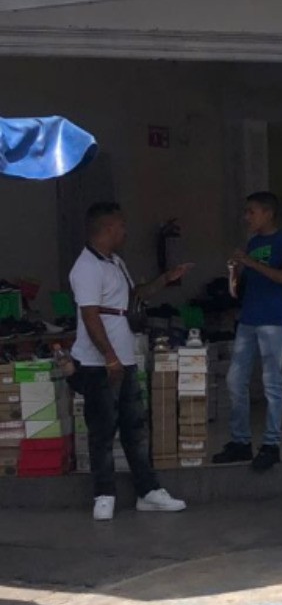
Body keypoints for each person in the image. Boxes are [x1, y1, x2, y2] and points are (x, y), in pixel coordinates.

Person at [70, 202, 191, 521]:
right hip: (101, 364)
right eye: (121, 226)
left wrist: (166, 279)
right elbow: (90, 315)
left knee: (135, 428)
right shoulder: (85, 268)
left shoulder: (115, 263)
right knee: (102, 429)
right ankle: (104, 493)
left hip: (123, 360)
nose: (125, 231)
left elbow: (136, 295)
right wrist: (109, 357)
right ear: (108, 228)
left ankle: (147, 491)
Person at [213, 192, 282, 471]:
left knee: (272, 382)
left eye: (252, 211)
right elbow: (240, 289)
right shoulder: (253, 243)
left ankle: (271, 443)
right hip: (249, 318)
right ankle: (241, 441)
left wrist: (251, 263)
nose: (246, 217)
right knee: (235, 380)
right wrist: (236, 272)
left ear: (268, 213)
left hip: (273, 320)